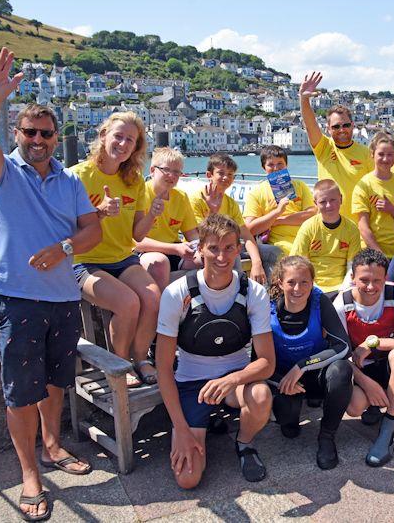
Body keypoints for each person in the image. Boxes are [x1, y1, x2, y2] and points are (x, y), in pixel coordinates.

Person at [0, 47, 101, 521]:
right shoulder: (2, 173)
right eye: (31, 132)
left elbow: (92, 231)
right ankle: (30, 473)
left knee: (53, 381)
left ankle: (52, 445)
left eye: (47, 133)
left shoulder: (69, 182)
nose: (40, 139)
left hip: (63, 296)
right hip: (18, 297)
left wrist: (62, 249)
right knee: (21, 391)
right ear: (18, 135)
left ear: (56, 137)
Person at [155, 214, 274, 488]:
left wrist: (231, 379)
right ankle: (200, 425)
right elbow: (163, 368)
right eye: (214, 248)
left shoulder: (253, 292)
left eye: (230, 248)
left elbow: (267, 362)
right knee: (188, 480)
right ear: (200, 249)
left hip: (235, 380)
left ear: (238, 249)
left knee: (260, 395)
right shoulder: (177, 293)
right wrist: (181, 430)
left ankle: (244, 443)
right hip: (190, 383)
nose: (222, 256)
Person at [72, 111, 162, 387]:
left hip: (122, 257)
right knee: (128, 303)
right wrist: (98, 214)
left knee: (153, 298)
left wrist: (152, 215)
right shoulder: (77, 176)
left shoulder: (134, 181)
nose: (123, 144)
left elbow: (136, 234)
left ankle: (141, 358)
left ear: (136, 147)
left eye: (130, 140)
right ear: (103, 136)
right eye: (118, 137)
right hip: (84, 260)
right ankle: (120, 367)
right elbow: (61, 232)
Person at [334, 249, 394, 467]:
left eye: (377, 280)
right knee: (355, 408)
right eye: (364, 280)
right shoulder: (342, 303)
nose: (371, 286)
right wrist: (367, 384)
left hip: (390, 367)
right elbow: (339, 354)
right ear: (353, 278)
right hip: (361, 370)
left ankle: (390, 428)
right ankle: (376, 402)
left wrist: (372, 343)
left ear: (386, 279)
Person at [267, 256, 354, 469]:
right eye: (291, 282)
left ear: (313, 282)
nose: (298, 288)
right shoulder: (266, 307)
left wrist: (302, 365)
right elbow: (256, 360)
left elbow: (343, 346)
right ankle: (290, 415)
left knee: (342, 370)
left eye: (304, 282)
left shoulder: (319, 301)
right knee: (289, 429)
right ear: (280, 282)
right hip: (284, 380)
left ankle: (327, 436)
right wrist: (280, 381)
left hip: (314, 374)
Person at [299, 71, 373, 218]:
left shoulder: (366, 153)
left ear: (353, 125)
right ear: (328, 128)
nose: (342, 130)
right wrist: (304, 99)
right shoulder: (323, 148)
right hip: (328, 225)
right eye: (336, 127)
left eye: (345, 125)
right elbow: (310, 124)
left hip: (357, 227)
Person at [185, 153, 266, 283]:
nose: (225, 178)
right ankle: (238, 293)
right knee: (233, 257)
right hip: (201, 248)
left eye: (230, 174)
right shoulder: (196, 199)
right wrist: (213, 211)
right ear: (209, 175)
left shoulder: (230, 203)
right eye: (221, 173)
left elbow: (246, 235)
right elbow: (202, 236)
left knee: (271, 252)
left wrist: (257, 262)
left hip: (225, 246)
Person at [134, 147, 198, 291]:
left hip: (175, 249)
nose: (171, 175)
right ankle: (163, 309)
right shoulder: (140, 194)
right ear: (152, 171)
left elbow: (192, 233)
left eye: (177, 172)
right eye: (166, 170)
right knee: (159, 262)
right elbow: (135, 241)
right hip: (146, 252)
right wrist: (175, 248)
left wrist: (201, 246)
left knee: (206, 258)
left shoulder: (181, 197)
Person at [289, 179, 361, 296]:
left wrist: (344, 289)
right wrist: (312, 287)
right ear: (315, 203)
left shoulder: (352, 229)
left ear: (341, 199)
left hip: (342, 286)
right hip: (312, 285)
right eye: (323, 202)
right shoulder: (308, 227)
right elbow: (298, 263)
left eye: (333, 200)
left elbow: (352, 266)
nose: (329, 205)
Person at [352, 133, 394, 258]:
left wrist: (392, 210)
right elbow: (363, 227)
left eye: (390, 155)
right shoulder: (364, 185)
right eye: (381, 154)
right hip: (372, 252)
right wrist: (379, 255)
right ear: (372, 155)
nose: (385, 159)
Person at [244, 145, 316, 257]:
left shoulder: (300, 186)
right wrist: (277, 212)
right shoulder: (256, 192)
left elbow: (312, 214)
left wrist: (277, 221)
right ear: (264, 167)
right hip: (279, 244)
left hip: (307, 237)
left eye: (280, 164)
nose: (276, 168)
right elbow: (250, 229)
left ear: (286, 165)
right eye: (270, 165)